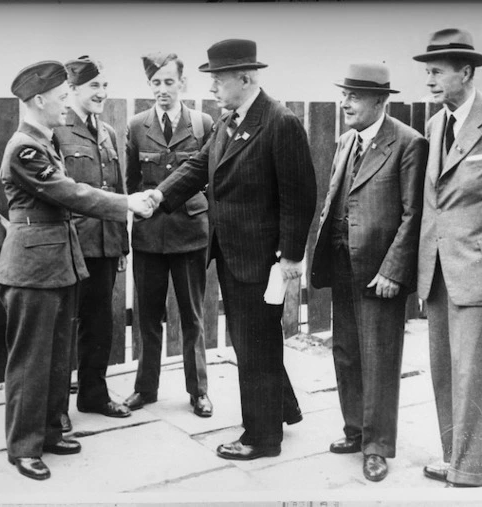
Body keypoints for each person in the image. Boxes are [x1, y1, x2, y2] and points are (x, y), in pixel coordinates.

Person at [146, 39, 315, 460]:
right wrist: (156, 197)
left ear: (246, 77)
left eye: (218, 79)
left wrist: (291, 257)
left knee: (255, 344)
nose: (212, 88)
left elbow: (300, 195)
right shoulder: (229, 121)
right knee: (254, 341)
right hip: (233, 253)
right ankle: (280, 410)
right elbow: (197, 166)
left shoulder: (279, 122)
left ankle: (261, 438)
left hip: (261, 258)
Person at [0, 60, 152, 481]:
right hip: (31, 268)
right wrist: (126, 204)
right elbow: (68, 191)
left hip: (56, 264)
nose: (66, 105)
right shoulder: (25, 147)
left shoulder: (42, 141)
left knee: (54, 356)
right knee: (30, 361)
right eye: (62, 98)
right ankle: (23, 447)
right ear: (40, 100)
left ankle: (48, 432)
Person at [413, 28, 482, 487]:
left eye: (437, 72)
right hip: (436, 271)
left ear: (467, 71)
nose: (429, 80)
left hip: (480, 271)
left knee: (473, 376)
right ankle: (456, 456)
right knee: (444, 372)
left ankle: (474, 468)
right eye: (427, 72)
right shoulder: (436, 125)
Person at [309, 63, 428, 482]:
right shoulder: (345, 141)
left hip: (380, 271)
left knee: (378, 357)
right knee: (346, 352)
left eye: (354, 96)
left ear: (381, 101)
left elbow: (413, 216)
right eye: (344, 94)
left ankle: (377, 447)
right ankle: (355, 431)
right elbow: (332, 200)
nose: (345, 103)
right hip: (342, 262)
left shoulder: (408, 143)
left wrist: (394, 270)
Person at [123, 52, 214, 417]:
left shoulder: (203, 123)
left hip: (190, 232)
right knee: (147, 316)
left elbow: (211, 179)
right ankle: (145, 388)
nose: (163, 90)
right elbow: (130, 184)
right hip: (148, 237)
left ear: (183, 84)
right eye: (156, 83)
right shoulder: (136, 125)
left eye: (169, 82)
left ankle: (199, 391)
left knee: (192, 316)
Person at [54, 56, 131, 427]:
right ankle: (56, 409)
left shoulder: (108, 132)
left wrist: (123, 245)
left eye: (104, 86)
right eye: (93, 87)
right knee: (62, 325)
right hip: (70, 246)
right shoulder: (57, 128)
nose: (102, 93)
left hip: (104, 245)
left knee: (100, 322)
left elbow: (117, 189)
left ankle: (93, 395)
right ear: (72, 90)